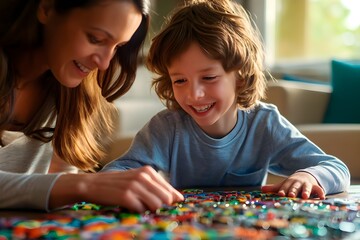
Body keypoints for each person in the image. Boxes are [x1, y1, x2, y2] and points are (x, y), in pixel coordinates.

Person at [103, 0, 350, 199]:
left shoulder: (264, 123)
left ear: (240, 77)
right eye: (180, 80)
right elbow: (113, 172)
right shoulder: (167, 128)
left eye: (209, 77)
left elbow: (336, 168)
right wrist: (136, 182)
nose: (194, 94)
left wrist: (310, 176)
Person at [0, 0, 183, 213]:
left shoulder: (68, 92)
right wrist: (85, 185)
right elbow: (62, 186)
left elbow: (52, 191)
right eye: (95, 38)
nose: (104, 63)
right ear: (47, 8)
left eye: (118, 47)